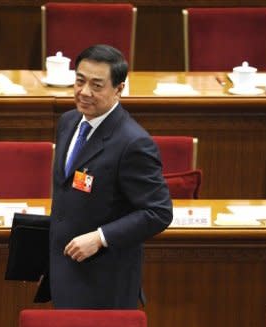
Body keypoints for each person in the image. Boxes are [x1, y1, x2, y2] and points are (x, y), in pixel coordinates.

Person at [49, 44, 173, 309]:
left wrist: (100, 237)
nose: (84, 92)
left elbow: (158, 212)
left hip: (105, 281)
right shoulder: (69, 122)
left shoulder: (134, 142)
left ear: (119, 89)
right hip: (64, 271)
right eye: (80, 81)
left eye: (96, 85)